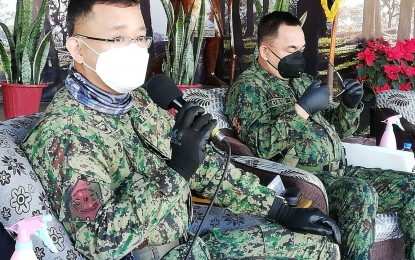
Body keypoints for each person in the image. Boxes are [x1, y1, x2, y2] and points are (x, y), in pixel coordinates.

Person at [21, 1, 341, 259]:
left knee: (318, 245)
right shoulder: (63, 136)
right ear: (77, 49)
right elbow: (102, 242)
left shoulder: (142, 103)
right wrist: (178, 169)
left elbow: (208, 169)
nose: (133, 49)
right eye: (118, 38)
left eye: (140, 37)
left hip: (190, 245)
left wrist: (280, 211)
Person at [225, 11, 415, 260]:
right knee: (359, 194)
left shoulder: (302, 81)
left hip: (340, 171)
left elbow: (339, 129)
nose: (299, 57)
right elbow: (260, 145)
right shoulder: (248, 88)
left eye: (301, 49)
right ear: (264, 52)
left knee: (411, 187)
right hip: (303, 180)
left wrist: (349, 105)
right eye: (291, 49)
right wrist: (301, 110)